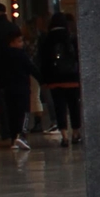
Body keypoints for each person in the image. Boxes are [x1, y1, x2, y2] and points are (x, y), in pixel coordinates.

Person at [0, 8, 33, 152]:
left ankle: (10, 137)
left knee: (7, 110)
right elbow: (31, 68)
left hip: (5, 82)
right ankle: (21, 135)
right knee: (23, 111)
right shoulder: (13, 28)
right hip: (22, 86)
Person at [35, 11, 83, 146]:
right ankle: (75, 133)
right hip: (72, 79)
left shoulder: (46, 39)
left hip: (54, 81)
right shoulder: (71, 38)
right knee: (74, 106)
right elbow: (78, 58)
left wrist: (44, 80)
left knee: (59, 107)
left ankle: (64, 135)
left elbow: (42, 62)